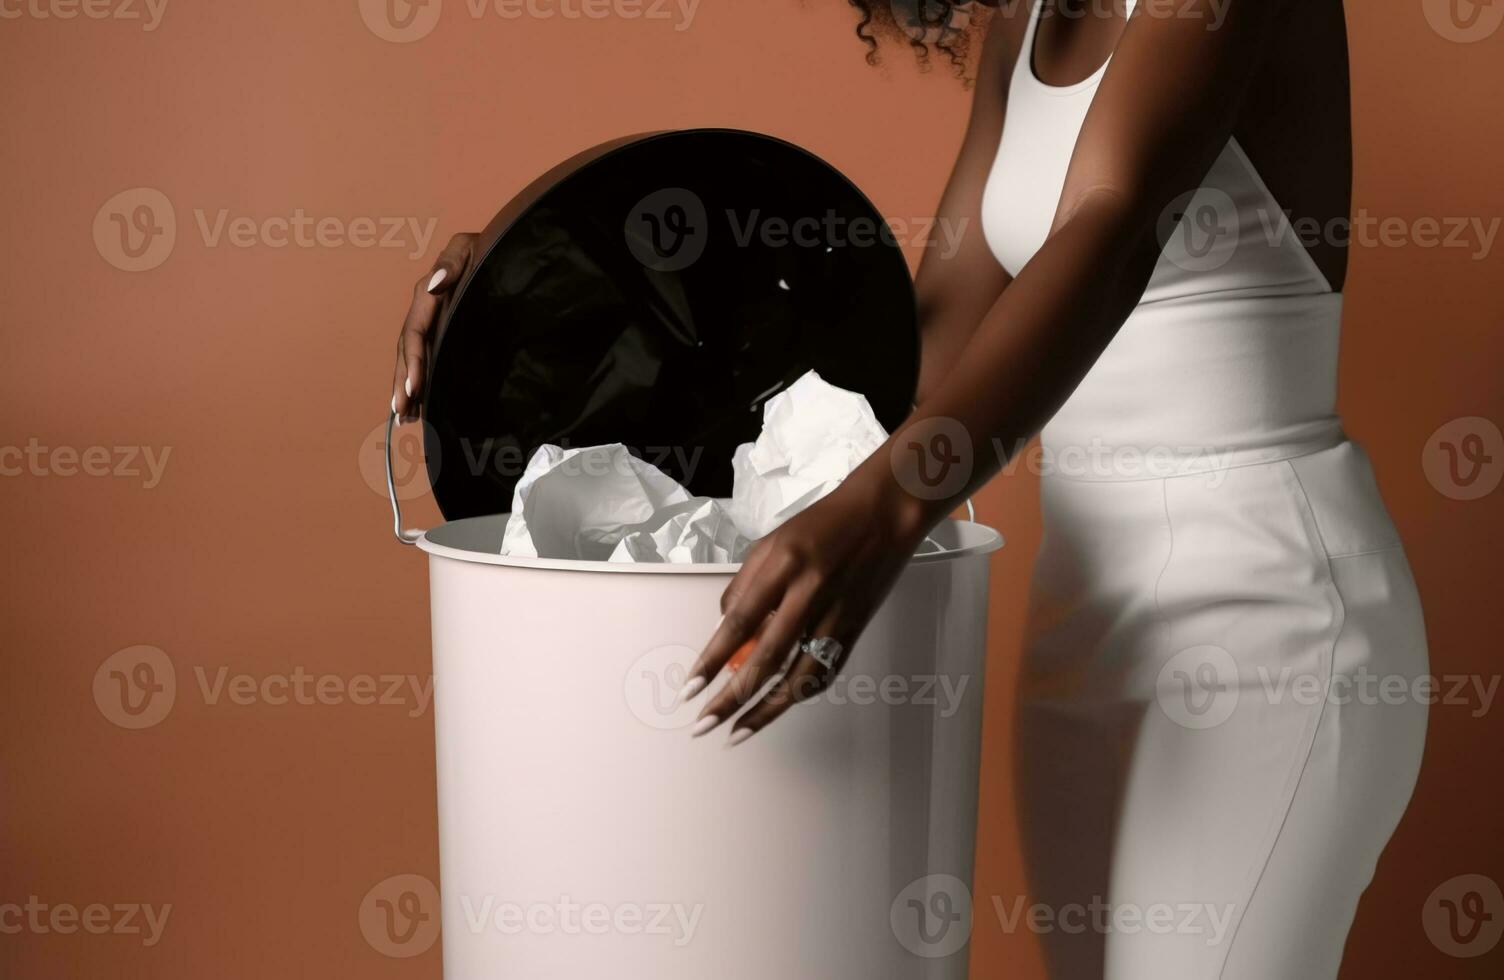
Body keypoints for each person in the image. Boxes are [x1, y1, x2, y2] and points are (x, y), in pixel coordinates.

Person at [389, 2, 1428, 975]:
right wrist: (541, 292)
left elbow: (1108, 230)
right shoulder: (1026, 20)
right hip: (1088, 618)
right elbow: (923, 350)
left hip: (1268, 614)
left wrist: (894, 504)